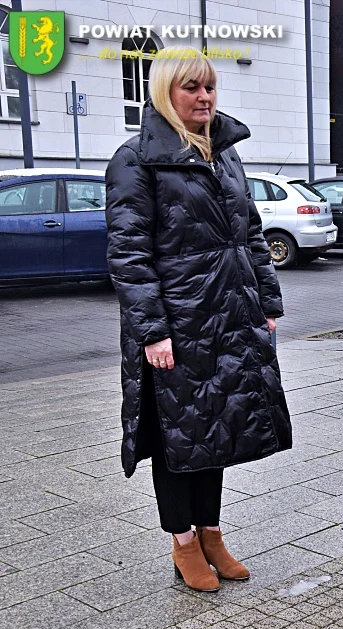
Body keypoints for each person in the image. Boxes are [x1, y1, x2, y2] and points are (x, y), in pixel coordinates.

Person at [106, 47, 292, 593]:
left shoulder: (224, 153)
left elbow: (250, 234)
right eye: (191, 87)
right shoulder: (136, 159)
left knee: (219, 426)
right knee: (176, 436)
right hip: (177, 321)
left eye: (209, 87)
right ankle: (183, 541)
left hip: (230, 315)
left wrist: (267, 301)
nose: (204, 97)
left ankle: (212, 532)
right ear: (166, 91)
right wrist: (153, 330)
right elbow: (129, 253)